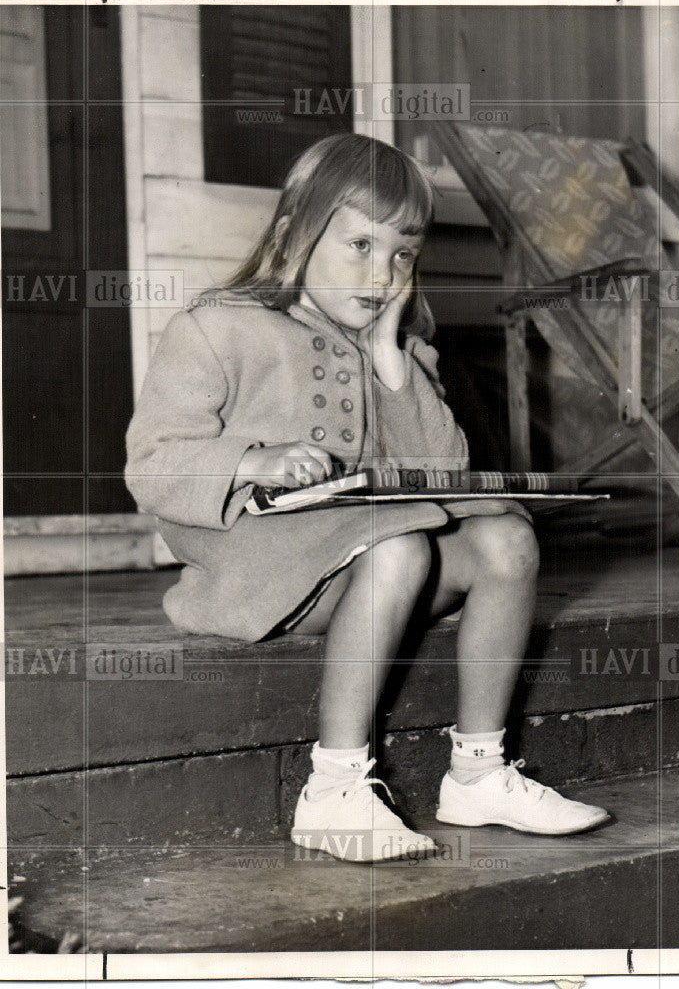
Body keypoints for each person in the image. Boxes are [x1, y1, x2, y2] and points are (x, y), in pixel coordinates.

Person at [126, 133, 608, 863]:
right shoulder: (216, 327)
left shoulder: (402, 353)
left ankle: (478, 773)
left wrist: (390, 359)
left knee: (507, 537)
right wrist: (254, 459)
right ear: (294, 237)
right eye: (359, 246)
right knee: (398, 543)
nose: (382, 274)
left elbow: (444, 472)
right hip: (261, 579)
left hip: (379, 569)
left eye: (402, 255)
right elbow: (153, 466)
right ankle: (336, 790)